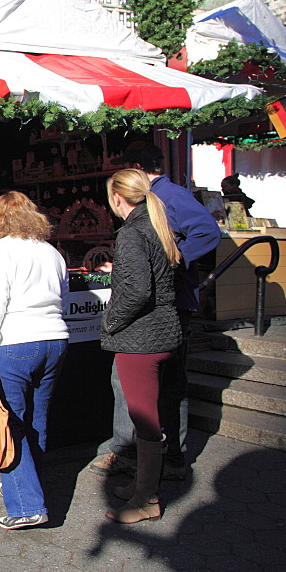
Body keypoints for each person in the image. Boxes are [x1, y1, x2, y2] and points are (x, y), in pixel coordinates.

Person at [91, 141, 220, 481]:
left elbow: (208, 231)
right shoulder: (152, 204)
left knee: (145, 384)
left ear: (136, 169)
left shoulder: (170, 196)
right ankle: (162, 455)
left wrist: (174, 261)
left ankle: (139, 453)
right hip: (168, 304)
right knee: (162, 384)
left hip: (167, 305)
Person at [0, 191, 69, 530]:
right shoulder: (51, 253)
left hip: (16, 342)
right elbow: (63, 295)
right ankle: (31, 487)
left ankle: (27, 505)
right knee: (36, 420)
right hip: (55, 340)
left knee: (10, 423)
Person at [101, 168, 183, 524]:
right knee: (149, 416)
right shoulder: (156, 225)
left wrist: (109, 321)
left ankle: (147, 498)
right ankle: (140, 485)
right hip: (162, 333)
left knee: (145, 421)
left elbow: (137, 292)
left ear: (117, 197)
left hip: (141, 339)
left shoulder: (133, 232)